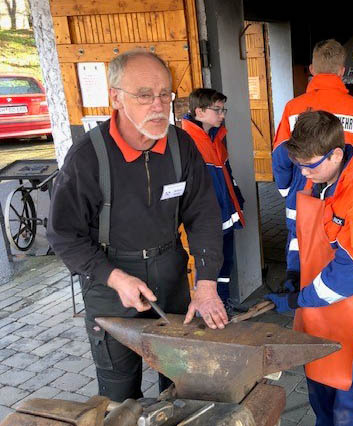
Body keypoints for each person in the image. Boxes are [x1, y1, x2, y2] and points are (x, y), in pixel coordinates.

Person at [47, 49, 227, 402]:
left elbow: (203, 214)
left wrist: (206, 283)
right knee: (118, 395)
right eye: (144, 95)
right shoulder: (88, 156)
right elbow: (64, 234)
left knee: (180, 383)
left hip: (170, 273)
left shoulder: (181, 146)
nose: (158, 106)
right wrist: (115, 278)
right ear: (115, 97)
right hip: (110, 280)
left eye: (165, 95)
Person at [266, 111, 353, 426]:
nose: (304, 174)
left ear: (336, 154)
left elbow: (346, 277)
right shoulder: (316, 180)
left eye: (309, 166)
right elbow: (300, 235)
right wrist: (294, 274)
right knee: (322, 397)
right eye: (299, 166)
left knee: (352, 411)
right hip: (321, 313)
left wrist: (298, 301)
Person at [271, 39, 353, 280]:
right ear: (342, 71)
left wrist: (286, 189)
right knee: (337, 248)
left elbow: (280, 153)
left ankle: (298, 296)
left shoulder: (293, 107)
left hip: (303, 190)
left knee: (299, 243)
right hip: (345, 196)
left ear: (312, 69)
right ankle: (328, 300)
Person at [181, 88, 245, 313]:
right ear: (199, 111)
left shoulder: (214, 139)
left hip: (224, 217)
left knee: (225, 265)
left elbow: (227, 178)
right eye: (217, 110)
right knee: (209, 268)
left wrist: (237, 201)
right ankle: (206, 311)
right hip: (208, 223)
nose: (222, 115)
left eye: (222, 109)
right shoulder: (189, 143)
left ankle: (222, 306)